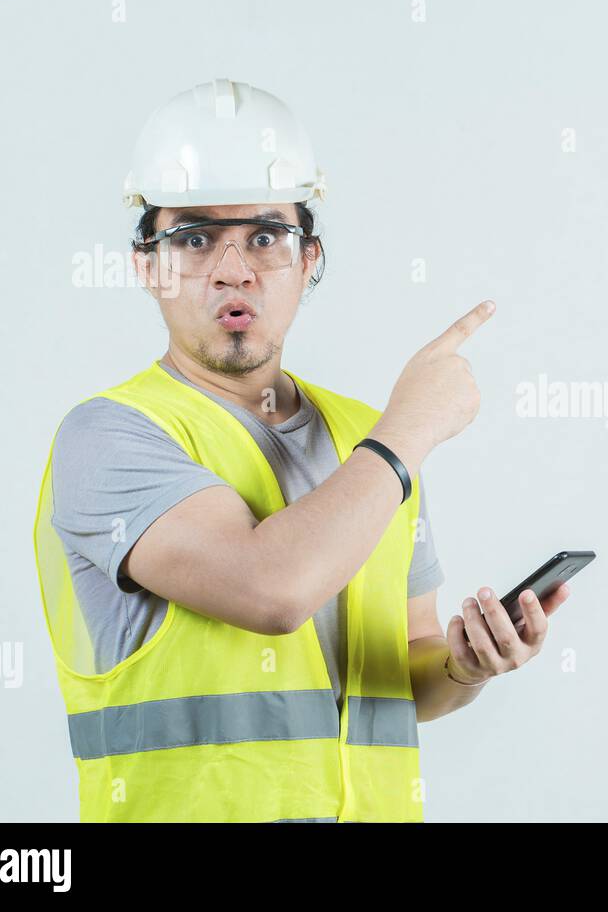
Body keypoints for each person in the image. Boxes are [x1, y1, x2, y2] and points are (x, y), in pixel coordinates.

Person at [31, 78, 571, 822]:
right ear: (146, 266)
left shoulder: (363, 436)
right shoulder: (110, 438)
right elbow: (271, 590)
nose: (233, 269)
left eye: (264, 236)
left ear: (309, 258)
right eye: (191, 239)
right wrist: (411, 429)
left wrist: (463, 664)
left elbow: (407, 669)